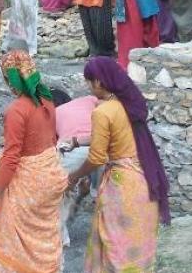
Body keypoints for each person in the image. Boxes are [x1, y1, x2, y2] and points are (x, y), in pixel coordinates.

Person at [67, 57, 171, 272]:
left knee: (115, 248)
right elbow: (117, 135)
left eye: (89, 81)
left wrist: (74, 176)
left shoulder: (102, 112)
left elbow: (96, 158)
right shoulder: (128, 105)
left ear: (99, 82)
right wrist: (78, 141)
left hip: (121, 188)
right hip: (143, 180)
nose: (88, 86)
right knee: (136, 248)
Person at [0, 51, 68, 273]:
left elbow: (11, 159)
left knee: (14, 242)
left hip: (26, 184)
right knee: (41, 236)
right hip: (50, 177)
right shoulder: (46, 100)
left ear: (9, 78)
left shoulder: (16, 110)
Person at [51, 89, 99, 248]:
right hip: (102, 146)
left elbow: (54, 144)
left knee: (60, 194)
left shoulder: (54, 113)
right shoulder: (89, 99)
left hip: (72, 149)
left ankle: (61, 238)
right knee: (104, 194)